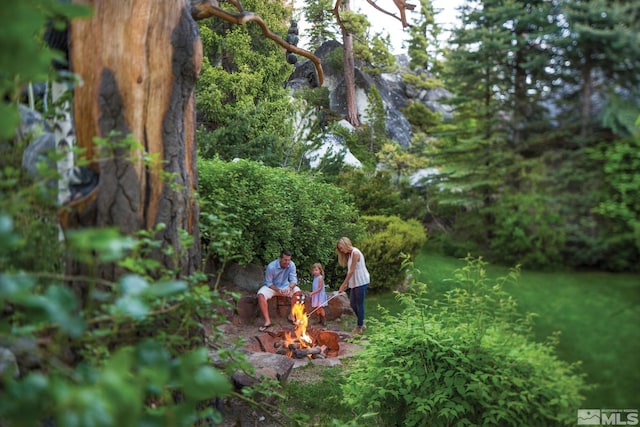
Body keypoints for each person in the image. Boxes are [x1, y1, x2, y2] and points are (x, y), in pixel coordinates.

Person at [256, 250, 301, 332]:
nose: (287, 262)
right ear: (280, 258)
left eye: (289, 260)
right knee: (261, 294)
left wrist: (290, 288)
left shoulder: (291, 265)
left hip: (286, 287)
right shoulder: (271, 266)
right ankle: (267, 321)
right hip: (273, 288)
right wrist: (277, 290)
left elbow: (294, 280)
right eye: (285, 260)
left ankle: (291, 315)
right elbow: (268, 283)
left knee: (297, 291)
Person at [336, 237, 370, 334]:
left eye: (341, 248)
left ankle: (359, 327)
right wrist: (347, 283)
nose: (341, 250)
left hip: (361, 281)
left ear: (345, 244)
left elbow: (351, 271)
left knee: (359, 304)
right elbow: (351, 271)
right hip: (355, 282)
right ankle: (361, 322)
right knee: (352, 304)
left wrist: (343, 285)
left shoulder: (355, 253)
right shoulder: (350, 254)